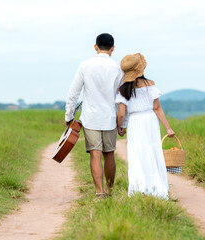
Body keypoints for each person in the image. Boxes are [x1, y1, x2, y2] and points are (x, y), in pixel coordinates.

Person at [65, 33, 124, 198]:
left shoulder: (85, 65)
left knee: (95, 153)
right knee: (109, 153)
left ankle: (100, 192)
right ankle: (110, 191)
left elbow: (73, 93)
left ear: (95, 47)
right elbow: (123, 98)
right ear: (113, 48)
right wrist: (123, 122)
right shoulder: (119, 68)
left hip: (91, 118)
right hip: (111, 118)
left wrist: (69, 115)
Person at [116, 53, 175, 199]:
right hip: (150, 121)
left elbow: (122, 114)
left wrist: (121, 126)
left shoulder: (123, 89)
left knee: (137, 154)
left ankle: (139, 188)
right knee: (153, 152)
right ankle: (157, 189)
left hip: (135, 122)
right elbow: (157, 108)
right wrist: (168, 128)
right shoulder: (150, 84)